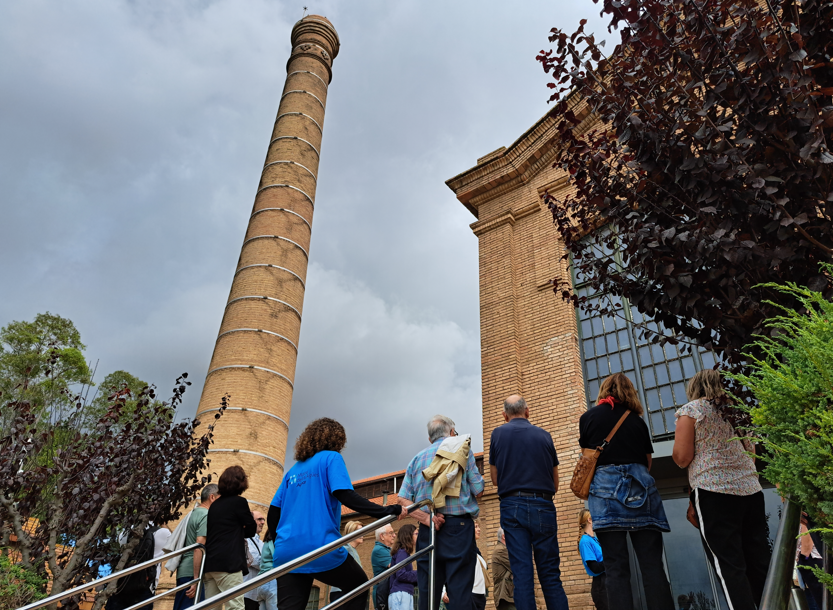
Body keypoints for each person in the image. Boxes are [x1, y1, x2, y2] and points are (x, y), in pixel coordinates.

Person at [267, 418, 406, 610]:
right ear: (337, 439)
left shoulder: (292, 472)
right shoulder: (331, 458)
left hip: (287, 552)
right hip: (319, 546)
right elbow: (345, 495)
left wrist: (281, 543)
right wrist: (386, 510)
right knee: (358, 587)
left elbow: (273, 513)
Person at [673, 369, 771, 610]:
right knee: (759, 561)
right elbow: (752, 455)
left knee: (728, 565)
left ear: (695, 387)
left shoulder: (692, 410)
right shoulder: (741, 413)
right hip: (750, 490)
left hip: (713, 491)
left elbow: (682, 457)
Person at [579, 372, 673, 610]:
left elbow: (587, 460)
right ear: (630, 392)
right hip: (641, 491)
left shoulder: (588, 418)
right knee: (652, 565)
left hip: (604, 494)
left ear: (604, 391)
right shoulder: (637, 421)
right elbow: (647, 462)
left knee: (615, 567)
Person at [397, 415, 485, 610]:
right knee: (460, 593)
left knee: (428, 593)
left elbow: (402, 499)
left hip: (428, 530)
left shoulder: (416, 459)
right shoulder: (463, 450)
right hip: (459, 529)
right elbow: (478, 490)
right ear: (452, 432)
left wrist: (427, 519)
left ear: (430, 439)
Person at [489, 395, 568, 610]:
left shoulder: (497, 434)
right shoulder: (544, 436)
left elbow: (495, 479)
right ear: (527, 411)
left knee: (522, 574)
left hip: (512, 505)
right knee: (550, 573)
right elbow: (555, 482)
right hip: (543, 504)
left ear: (504, 415)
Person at [203, 465, 258, 610]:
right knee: (235, 607)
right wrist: (240, 531)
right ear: (241, 483)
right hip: (229, 563)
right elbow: (251, 529)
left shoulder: (214, 505)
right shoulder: (239, 502)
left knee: (211, 608)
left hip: (211, 564)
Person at [174, 484, 219, 610]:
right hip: (193, 572)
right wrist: (196, 579)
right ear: (212, 497)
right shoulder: (206, 515)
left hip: (184, 569)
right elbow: (199, 546)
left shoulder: (194, 512)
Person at [329, 521, 366, 604]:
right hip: (341, 592)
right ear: (352, 533)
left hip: (348, 592)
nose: (363, 534)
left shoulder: (353, 550)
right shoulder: (345, 549)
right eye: (360, 531)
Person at [577, 509, 607, 610]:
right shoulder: (585, 541)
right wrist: (611, 561)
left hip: (606, 582)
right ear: (589, 520)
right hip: (601, 586)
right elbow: (595, 568)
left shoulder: (594, 539)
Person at [389, 525, 419, 610]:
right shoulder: (402, 552)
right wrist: (420, 573)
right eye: (416, 534)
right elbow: (401, 574)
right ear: (408, 536)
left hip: (404, 592)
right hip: (401, 593)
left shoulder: (404, 552)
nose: (418, 536)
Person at [243, 511, 266, 610]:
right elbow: (255, 560)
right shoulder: (245, 538)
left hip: (258, 594)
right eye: (259, 519)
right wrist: (269, 564)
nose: (263, 522)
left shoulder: (261, 543)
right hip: (246, 593)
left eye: (263, 520)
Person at [253, 527, 278, 610]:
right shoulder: (273, 542)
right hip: (271, 580)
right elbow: (277, 557)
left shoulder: (266, 543)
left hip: (261, 582)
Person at [491, 528, 515, 610]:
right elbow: (517, 566)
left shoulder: (504, 549)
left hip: (508, 595)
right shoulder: (501, 550)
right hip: (505, 596)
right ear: (504, 536)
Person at [372, 524, 396, 604]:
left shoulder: (387, 549)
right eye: (391, 533)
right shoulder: (379, 550)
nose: (394, 535)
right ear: (382, 536)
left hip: (386, 590)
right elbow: (396, 567)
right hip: (382, 593)